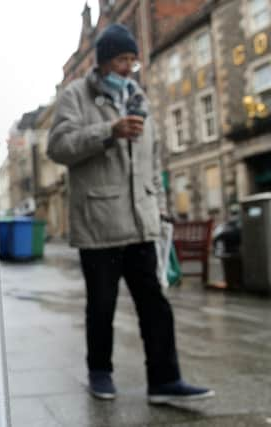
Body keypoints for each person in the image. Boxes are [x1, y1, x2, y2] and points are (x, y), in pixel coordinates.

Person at [47, 23, 215, 404]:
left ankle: (165, 380)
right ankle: (100, 373)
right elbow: (58, 147)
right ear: (105, 60)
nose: (128, 67)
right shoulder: (76, 96)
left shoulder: (137, 97)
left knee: (155, 304)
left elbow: (152, 158)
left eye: (132, 60)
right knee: (101, 306)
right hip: (99, 224)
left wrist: (157, 206)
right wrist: (108, 131)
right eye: (122, 59)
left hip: (141, 222)